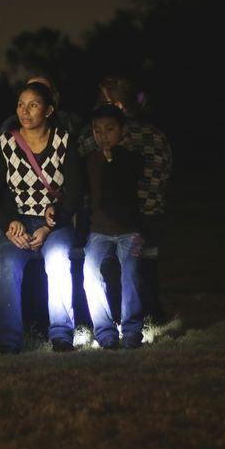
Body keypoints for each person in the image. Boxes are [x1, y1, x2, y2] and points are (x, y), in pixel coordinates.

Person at [0, 82, 83, 354]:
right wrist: (8, 223)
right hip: (17, 222)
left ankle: (62, 335)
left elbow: (74, 190)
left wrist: (51, 226)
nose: (24, 112)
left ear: (49, 110)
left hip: (53, 221)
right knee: (10, 268)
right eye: (20, 104)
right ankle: (8, 341)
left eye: (33, 105)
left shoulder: (63, 140)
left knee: (58, 262)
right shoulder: (6, 142)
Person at [78, 75, 172, 323]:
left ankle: (122, 321)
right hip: (147, 216)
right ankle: (149, 316)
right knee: (143, 270)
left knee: (114, 271)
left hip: (116, 219)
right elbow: (160, 180)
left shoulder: (92, 138)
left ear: (117, 106)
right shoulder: (156, 135)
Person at [81, 104, 146, 349]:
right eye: (97, 131)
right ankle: (105, 332)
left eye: (109, 129)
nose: (103, 136)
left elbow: (124, 184)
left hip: (129, 230)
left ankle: (131, 331)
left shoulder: (131, 159)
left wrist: (113, 158)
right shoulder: (89, 161)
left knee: (130, 273)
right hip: (99, 231)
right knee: (90, 273)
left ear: (122, 131)